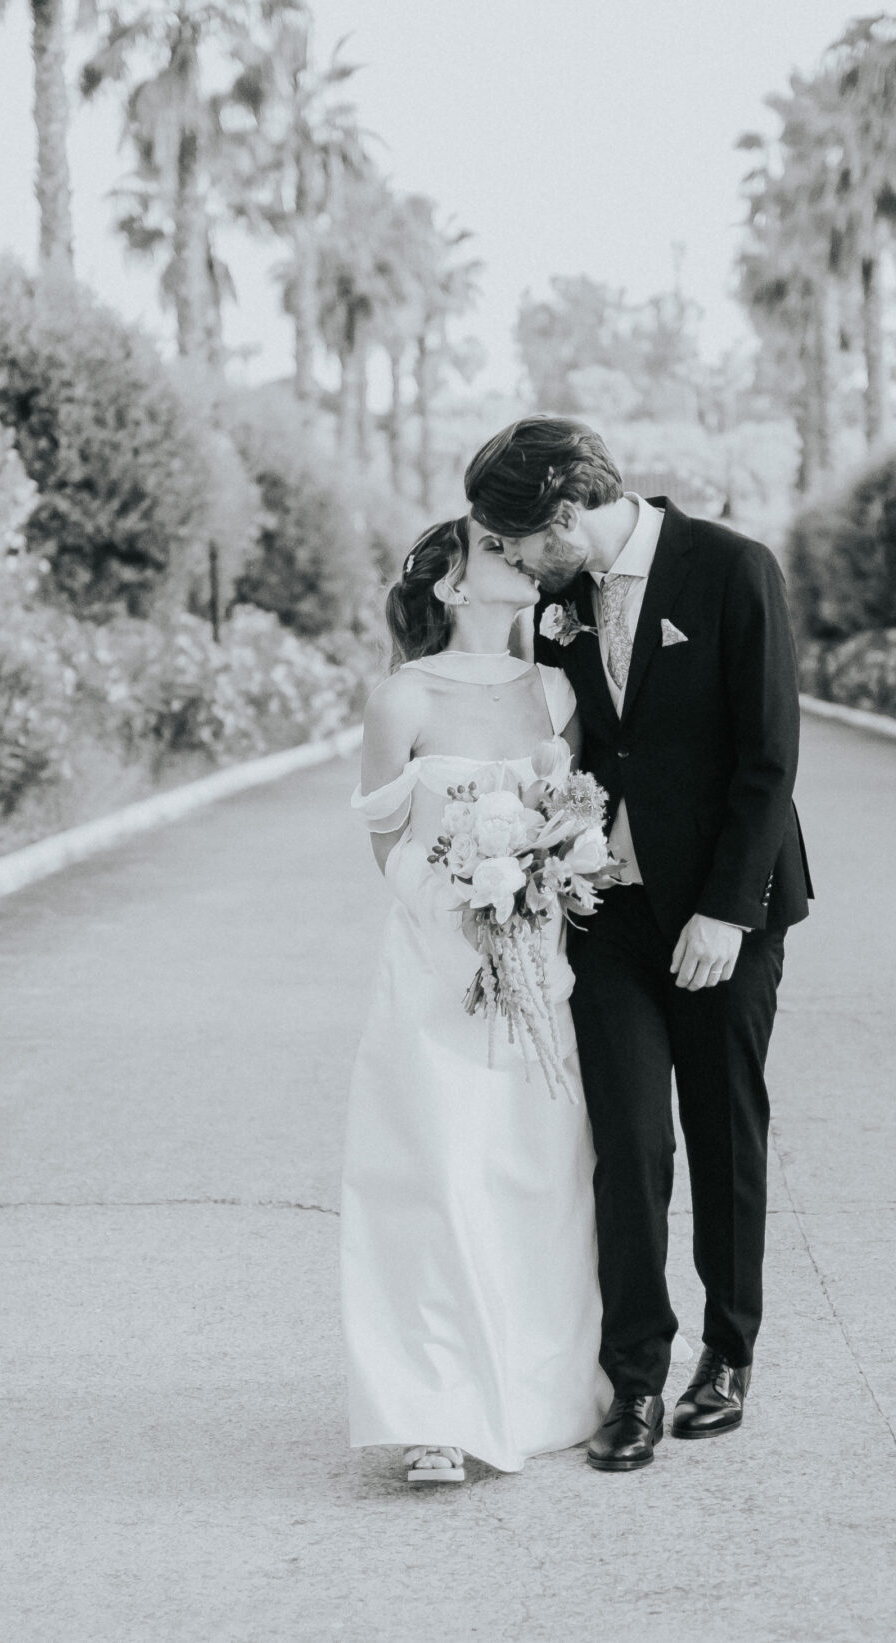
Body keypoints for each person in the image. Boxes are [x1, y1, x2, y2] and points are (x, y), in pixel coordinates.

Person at [466, 416, 811, 1474]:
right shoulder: (559, 606)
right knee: (628, 1141)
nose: (514, 559)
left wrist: (726, 911)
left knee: (723, 1129)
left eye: (517, 539)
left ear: (567, 513)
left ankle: (729, 1356)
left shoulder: (733, 568)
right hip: (607, 913)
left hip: (724, 913)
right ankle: (635, 1379)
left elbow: (768, 757)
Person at [339, 516, 610, 1485]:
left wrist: (540, 880)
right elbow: (385, 838)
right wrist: (457, 891)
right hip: (433, 973)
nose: (522, 557)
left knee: (535, 1179)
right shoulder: (402, 697)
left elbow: (576, 816)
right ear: (453, 582)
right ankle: (434, 1411)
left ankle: (537, 1394)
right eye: (496, 547)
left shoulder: (557, 690)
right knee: (440, 1176)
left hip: (538, 970)